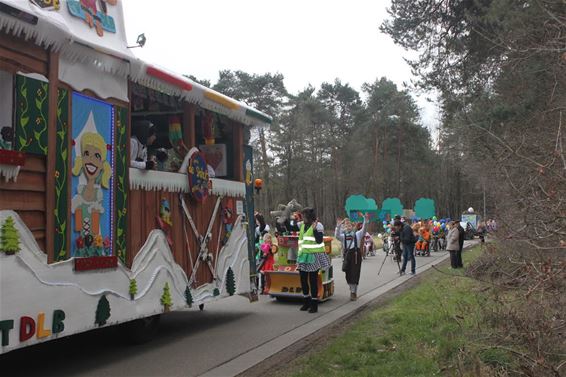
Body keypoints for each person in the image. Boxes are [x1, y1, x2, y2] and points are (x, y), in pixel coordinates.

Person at [297, 207, 330, 313]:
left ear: (309, 217)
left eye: (304, 216)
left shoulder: (318, 225)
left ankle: (314, 305)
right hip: (303, 256)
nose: (302, 218)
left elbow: (320, 240)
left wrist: (315, 229)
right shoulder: (302, 225)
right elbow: (289, 226)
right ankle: (306, 302)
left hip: (313, 257)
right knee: (303, 279)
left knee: (313, 281)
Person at [335, 214, 369, 301]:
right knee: (348, 274)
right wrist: (338, 226)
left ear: (352, 226)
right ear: (344, 227)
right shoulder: (343, 237)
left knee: (355, 274)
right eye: (346, 225)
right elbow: (337, 236)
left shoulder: (357, 234)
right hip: (347, 257)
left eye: (349, 225)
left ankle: (353, 292)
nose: (347, 226)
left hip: (356, 256)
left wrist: (365, 219)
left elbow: (364, 229)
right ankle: (352, 288)